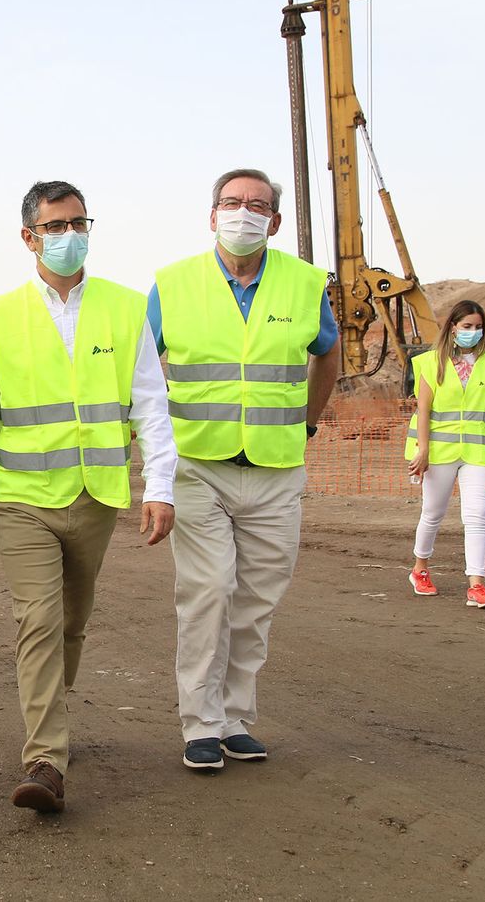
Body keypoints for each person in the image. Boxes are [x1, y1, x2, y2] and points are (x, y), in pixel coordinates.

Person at [0, 180, 177, 813]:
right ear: (29, 237)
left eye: (79, 222)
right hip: (23, 498)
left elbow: (150, 406)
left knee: (71, 625)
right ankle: (46, 758)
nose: (70, 234)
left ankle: (48, 716)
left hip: (96, 497)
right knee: (40, 621)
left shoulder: (126, 307)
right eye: (56, 225)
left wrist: (158, 486)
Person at [150, 167, 341, 772]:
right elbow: (141, 370)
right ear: (211, 216)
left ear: (275, 222)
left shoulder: (306, 284)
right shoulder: (171, 284)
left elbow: (328, 353)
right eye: (231, 203)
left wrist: (307, 422)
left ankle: (235, 718)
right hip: (197, 465)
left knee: (257, 598)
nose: (244, 213)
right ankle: (200, 724)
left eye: (257, 205)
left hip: (275, 468)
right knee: (208, 592)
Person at [405, 300, 485, 608]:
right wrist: (423, 451)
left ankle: (477, 586)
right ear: (453, 328)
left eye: (478, 327)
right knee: (433, 514)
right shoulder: (430, 362)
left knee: (476, 518)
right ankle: (420, 569)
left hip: (478, 453)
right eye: (467, 327)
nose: (472, 332)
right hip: (439, 452)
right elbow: (423, 410)